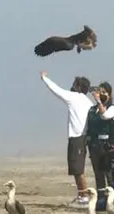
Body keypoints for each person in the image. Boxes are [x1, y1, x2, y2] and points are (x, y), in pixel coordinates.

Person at [40, 71, 95, 205]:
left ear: (79, 87)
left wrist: (44, 78)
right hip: (80, 137)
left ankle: (84, 196)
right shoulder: (87, 101)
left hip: (78, 137)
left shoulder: (74, 97)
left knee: (78, 169)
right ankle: (81, 195)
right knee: (76, 168)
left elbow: (56, 90)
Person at [84, 82, 114, 190]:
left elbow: (105, 116)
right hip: (95, 146)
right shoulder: (92, 109)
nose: (101, 94)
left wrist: (99, 101)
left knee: (110, 175)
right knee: (98, 175)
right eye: (100, 92)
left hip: (108, 147)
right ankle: (101, 200)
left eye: (104, 92)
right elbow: (88, 125)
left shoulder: (113, 108)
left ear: (109, 94)